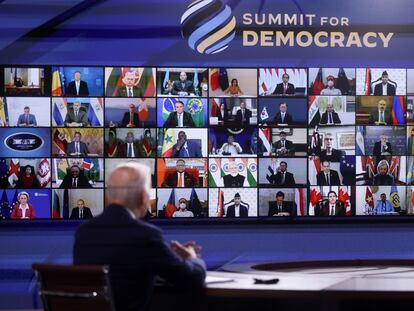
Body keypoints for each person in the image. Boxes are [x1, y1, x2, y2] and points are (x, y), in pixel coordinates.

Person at [73, 162, 206, 311]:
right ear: (144, 197)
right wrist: (192, 258)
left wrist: (166, 256)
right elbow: (193, 279)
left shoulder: (84, 231)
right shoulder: (146, 235)